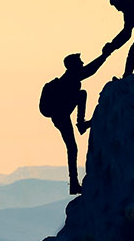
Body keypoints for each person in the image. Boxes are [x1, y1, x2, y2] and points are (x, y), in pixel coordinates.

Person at [39, 49, 112, 194]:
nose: (82, 63)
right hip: (61, 116)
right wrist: (104, 55)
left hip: (61, 114)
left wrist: (105, 54)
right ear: (73, 66)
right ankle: (73, 183)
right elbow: (91, 70)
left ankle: (81, 124)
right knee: (72, 148)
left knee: (81, 94)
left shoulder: (70, 77)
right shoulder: (71, 77)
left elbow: (88, 70)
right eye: (80, 62)